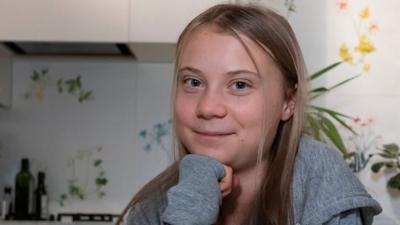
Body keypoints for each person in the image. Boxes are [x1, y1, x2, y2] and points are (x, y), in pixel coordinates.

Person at [117, 4, 382, 225]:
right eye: (193, 82)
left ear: (288, 101)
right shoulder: (153, 207)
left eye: (240, 85)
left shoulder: (322, 189)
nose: (208, 107)